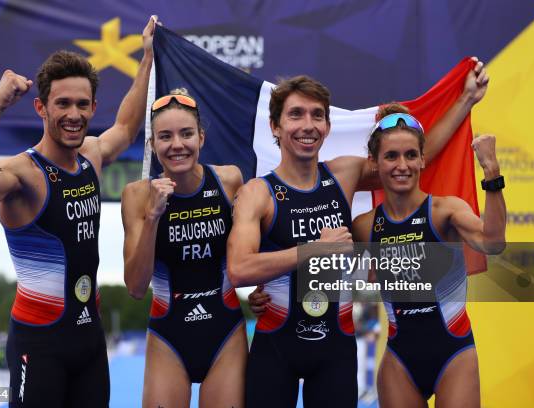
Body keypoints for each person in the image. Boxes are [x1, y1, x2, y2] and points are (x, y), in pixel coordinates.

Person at [229, 59, 489, 407]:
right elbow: (239, 269)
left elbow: (405, 160)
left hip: (335, 351)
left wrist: (465, 101)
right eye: (296, 115)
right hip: (275, 347)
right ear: (275, 126)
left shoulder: (344, 174)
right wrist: (311, 252)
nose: (307, 125)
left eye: (316, 115)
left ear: (326, 125)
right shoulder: (257, 193)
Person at [0, 16, 158, 408]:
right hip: (38, 342)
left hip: (90, 341)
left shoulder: (91, 157)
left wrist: (146, 58)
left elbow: (127, 127)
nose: (74, 114)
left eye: (83, 104)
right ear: (40, 108)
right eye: (62, 103)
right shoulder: (22, 173)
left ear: (93, 106)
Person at [351, 107, 505, 408]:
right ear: (375, 162)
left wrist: (492, 172)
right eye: (391, 156)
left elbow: (493, 242)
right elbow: (339, 279)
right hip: (399, 362)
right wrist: (268, 291)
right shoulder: (364, 226)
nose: (402, 165)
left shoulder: (446, 212)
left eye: (410, 155)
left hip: (454, 353)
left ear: (423, 158)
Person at [122, 89, 247, 407]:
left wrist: (266, 291)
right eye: (165, 136)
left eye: (186, 134)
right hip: (169, 334)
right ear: (153, 146)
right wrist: (153, 217)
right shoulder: (137, 195)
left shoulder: (229, 180)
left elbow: (253, 247)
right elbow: (136, 287)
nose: (177, 145)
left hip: (225, 331)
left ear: (201, 138)